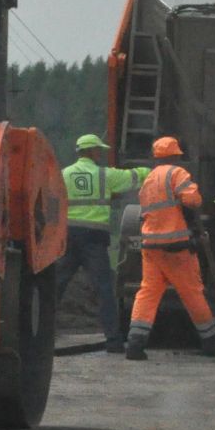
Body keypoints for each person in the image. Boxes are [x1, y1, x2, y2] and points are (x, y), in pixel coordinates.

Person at [125, 136, 215, 360]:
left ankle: (135, 344)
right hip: (176, 247)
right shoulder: (177, 173)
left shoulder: (149, 178)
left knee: (148, 292)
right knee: (191, 292)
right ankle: (211, 342)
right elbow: (192, 200)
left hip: (151, 245)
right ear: (176, 155)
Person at [57, 133, 147, 354]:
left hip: (68, 237)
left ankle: (40, 337)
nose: (101, 153)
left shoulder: (62, 175)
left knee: (55, 288)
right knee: (104, 291)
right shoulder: (105, 176)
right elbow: (137, 177)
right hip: (94, 241)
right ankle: (113, 342)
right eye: (99, 150)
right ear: (92, 151)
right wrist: (160, 169)